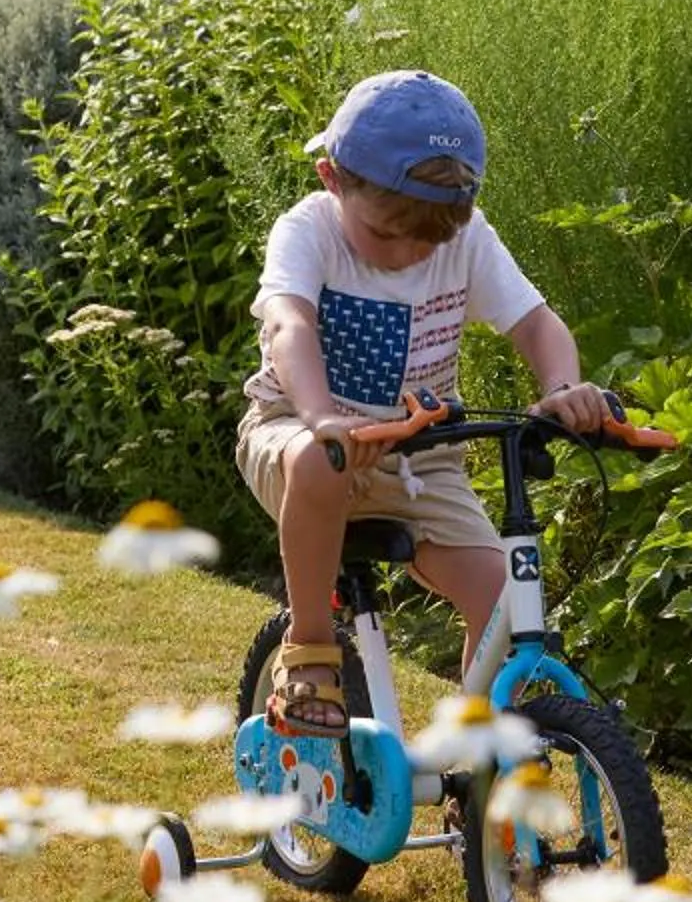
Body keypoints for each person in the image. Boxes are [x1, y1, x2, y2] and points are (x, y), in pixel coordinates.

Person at [236, 69, 612, 737]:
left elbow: (536, 323)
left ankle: (478, 768)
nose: (411, 253)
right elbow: (289, 325)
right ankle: (309, 656)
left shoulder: (467, 239)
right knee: (319, 463)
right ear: (331, 178)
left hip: (420, 458)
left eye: (430, 241)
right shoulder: (308, 232)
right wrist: (325, 417)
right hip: (297, 429)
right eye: (388, 235)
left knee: (500, 597)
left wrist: (561, 388)